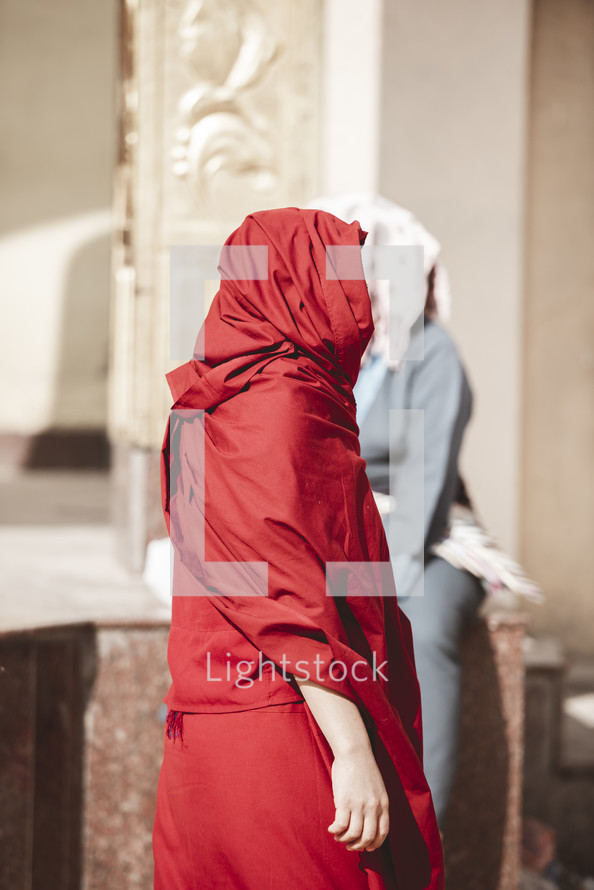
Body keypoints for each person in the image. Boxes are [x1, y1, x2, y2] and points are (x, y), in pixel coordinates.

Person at [152, 207, 444, 889]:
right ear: (298, 282)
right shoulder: (284, 402)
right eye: (343, 275)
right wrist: (350, 751)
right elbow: (282, 598)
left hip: (204, 734)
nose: (362, 299)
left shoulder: (204, 402)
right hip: (287, 735)